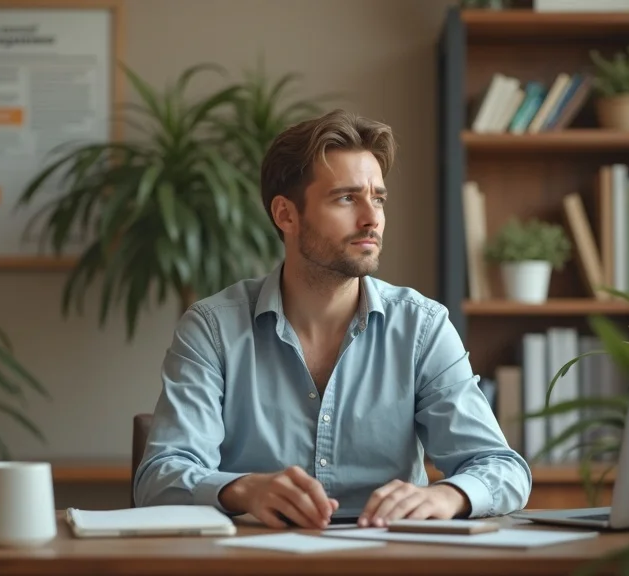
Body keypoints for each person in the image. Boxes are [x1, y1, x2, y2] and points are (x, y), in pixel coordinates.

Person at [133, 109, 532, 529]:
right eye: (346, 198)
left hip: (390, 562)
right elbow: (159, 477)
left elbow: (501, 468)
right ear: (286, 215)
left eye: (377, 197)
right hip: (258, 561)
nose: (371, 217)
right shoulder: (213, 328)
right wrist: (243, 490)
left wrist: (447, 496)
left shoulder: (422, 328)